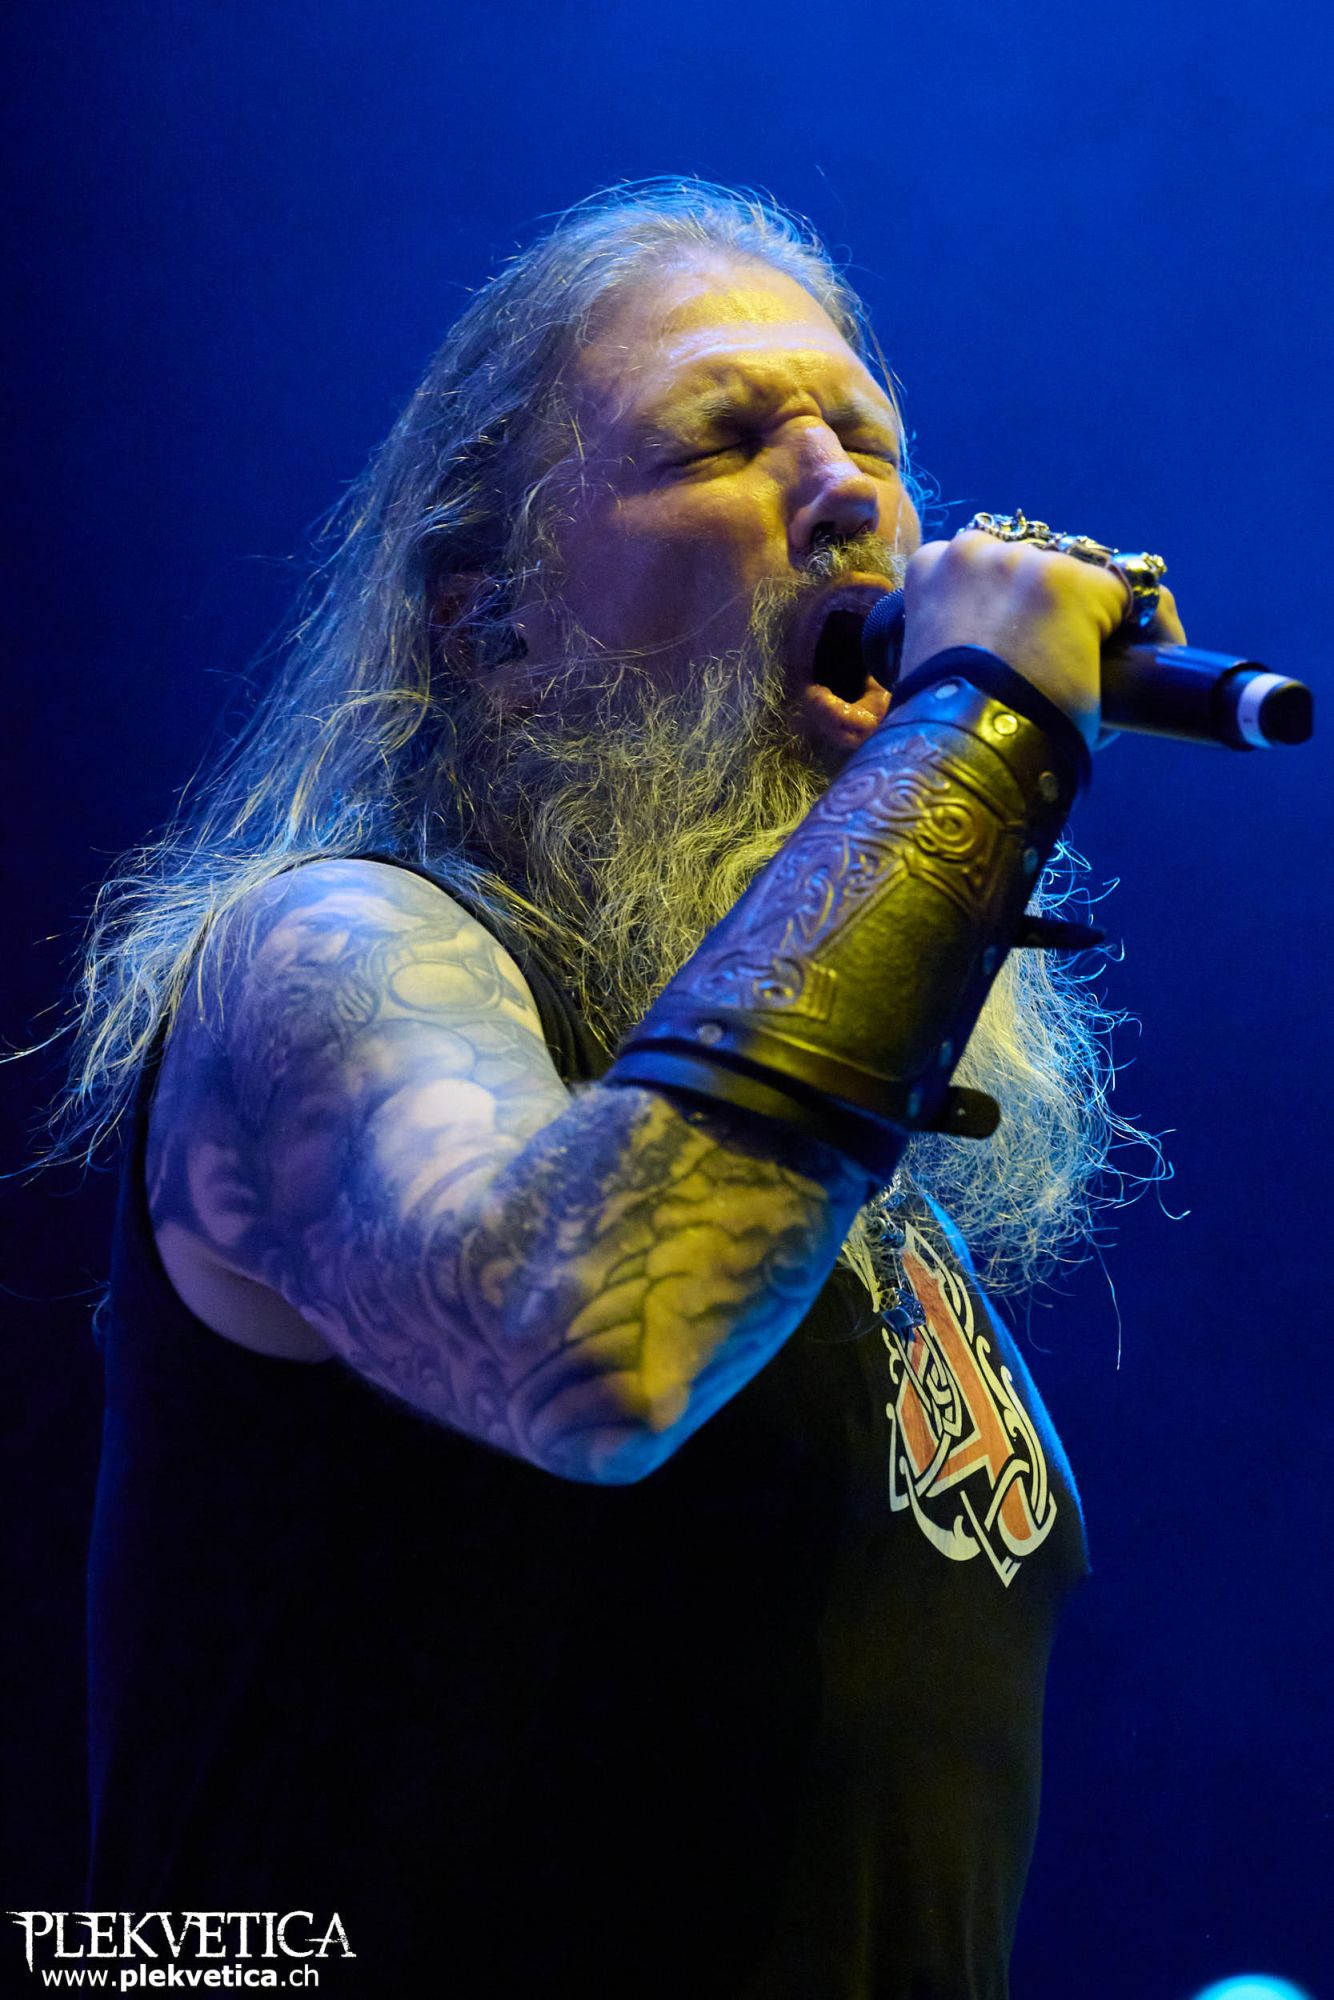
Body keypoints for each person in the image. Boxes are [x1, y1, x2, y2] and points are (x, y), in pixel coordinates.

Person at [68, 182, 1183, 1996]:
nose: (843, 493)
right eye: (719, 441)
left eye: (868, 442)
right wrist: (979, 737)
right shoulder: (329, 958)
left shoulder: (824, 1168)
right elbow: (589, 1342)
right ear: (488, 625)